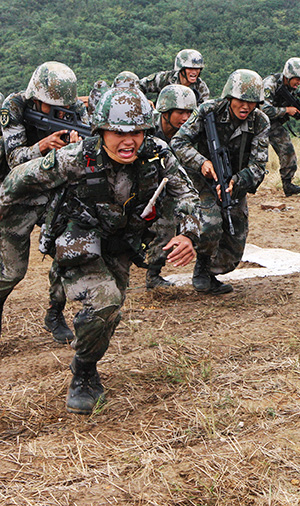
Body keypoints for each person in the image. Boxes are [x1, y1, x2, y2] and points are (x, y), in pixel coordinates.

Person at [0, 87, 200, 414]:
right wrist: (3, 204)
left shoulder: (158, 154)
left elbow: (187, 195)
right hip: (78, 235)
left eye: (136, 132)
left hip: (122, 239)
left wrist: (189, 233)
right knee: (105, 300)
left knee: (111, 308)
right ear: (101, 131)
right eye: (117, 133)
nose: (128, 141)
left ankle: (86, 356)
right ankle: (84, 374)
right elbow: (22, 177)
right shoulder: (77, 156)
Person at [0, 62, 88, 343]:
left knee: (69, 252)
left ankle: (55, 312)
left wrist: (77, 149)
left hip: (57, 192)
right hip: (18, 193)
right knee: (12, 271)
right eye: (47, 105)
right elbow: (14, 159)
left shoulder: (77, 111)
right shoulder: (14, 106)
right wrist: (42, 147)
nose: (56, 110)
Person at [171, 69, 269, 295]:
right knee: (211, 223)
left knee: (235, 242)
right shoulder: (208, 111)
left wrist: (237, 182)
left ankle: (213, 271)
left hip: (234, 183)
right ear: (229, 97)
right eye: (241, 100)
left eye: (252, 102)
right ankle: (202, 267)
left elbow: (258, 166)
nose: (246, 106)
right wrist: (201, 162)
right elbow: (179, 142)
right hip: (201, 180)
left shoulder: (260, 122)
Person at [144, 84, 198, 289]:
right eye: (180, 112)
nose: (185, 117)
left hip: (168, 186)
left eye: (188, 112)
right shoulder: (147, 129)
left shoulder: (190, 133)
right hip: (140, 185)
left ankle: (153, 273)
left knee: (167, 224)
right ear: (165, 112)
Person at [261, 57, 300, 196]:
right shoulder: (270, 84)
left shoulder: (292, 88)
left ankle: (287, 184)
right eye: (297, 78)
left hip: (273, 123)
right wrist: (286, 110)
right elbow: (263, 109)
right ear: (288, 75)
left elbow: (295, 107)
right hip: (256, 122)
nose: (299, 82)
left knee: (287, 148)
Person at [139, 49, 210, 103]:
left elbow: (203, 109)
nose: (194, 72)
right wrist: (144, 102)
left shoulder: (201, 87)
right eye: (190, 68)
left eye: (197, 69)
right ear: (181, 69)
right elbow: (138, 86)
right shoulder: (165, 78)